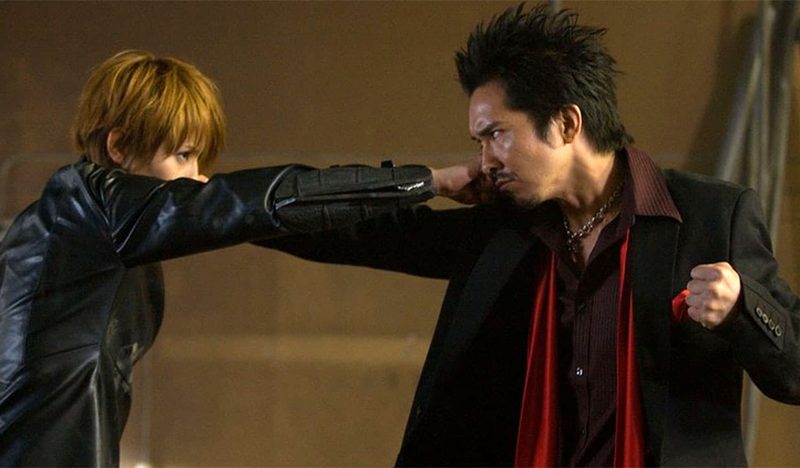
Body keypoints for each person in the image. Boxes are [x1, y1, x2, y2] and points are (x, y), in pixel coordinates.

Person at [267, 4, 800, 466]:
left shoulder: (711, 215)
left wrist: (742, 308)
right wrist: (426, 182)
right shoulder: (507, 230)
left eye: (496, 135)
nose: (485, 161)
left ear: (566, 124)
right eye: (478, 142)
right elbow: (354, 233)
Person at [0, 49, 444, 466]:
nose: (196, 176)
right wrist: (428, 182)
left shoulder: (81, 222)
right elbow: (243, 201)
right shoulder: (86, 208)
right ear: (119, 147)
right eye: (183, 155)